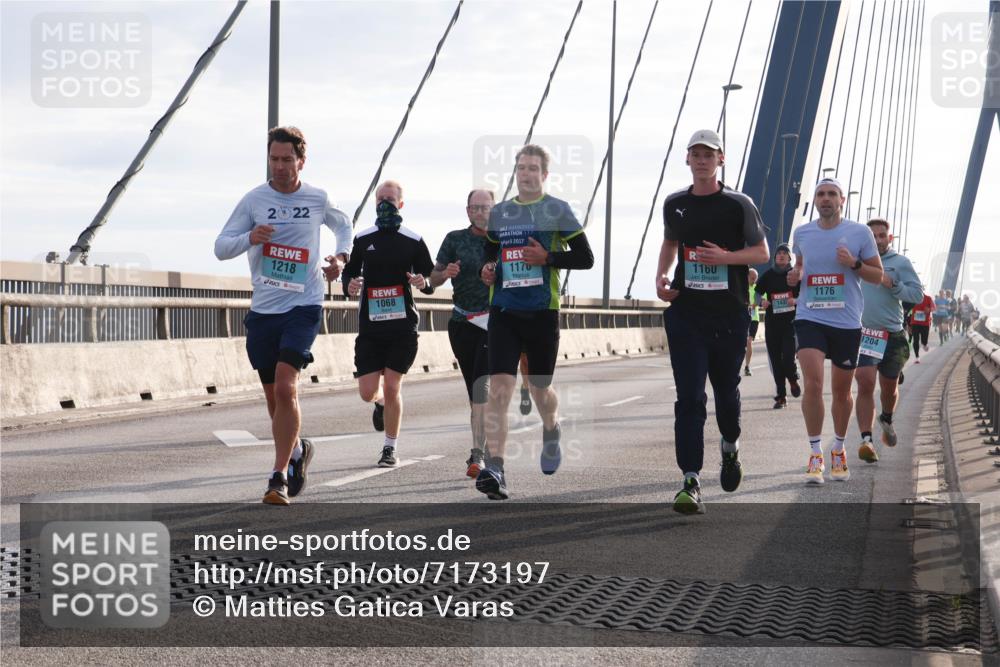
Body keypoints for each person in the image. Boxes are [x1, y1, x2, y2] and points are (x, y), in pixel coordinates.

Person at [215, 126, 352, 505]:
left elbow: (344, 227)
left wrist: (340, 258)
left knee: (287, 385)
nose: (279, 166)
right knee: (273, 395)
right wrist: (251, 238)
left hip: (303, 305)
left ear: (301, 161)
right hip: (263, 310)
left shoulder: (318, 197)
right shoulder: (254, 200)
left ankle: (278, 478)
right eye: (273, 159)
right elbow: (221, 247)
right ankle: (296, 451)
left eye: (286, 159)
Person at [656, 129, 769, 514]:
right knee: (689, 398)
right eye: (695, 154)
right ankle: (690, 479)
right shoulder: (674, 203)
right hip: (686, 313)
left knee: (725, 394)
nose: (702, 160)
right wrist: (662, 277)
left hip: (729, 315)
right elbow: (671, 242)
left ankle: (731, 447)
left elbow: (761, 251)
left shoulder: (739, 204)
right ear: (687, 159)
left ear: (721, 160)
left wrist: (726, 258)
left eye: (709, 154)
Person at [475, 144, 595, 500]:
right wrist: (488, 269)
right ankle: (496, 468)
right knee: (499, 388)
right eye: (521, 168)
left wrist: (548, 258)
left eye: (532, 169)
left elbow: (586, 258)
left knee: (539, 388)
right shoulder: (501, 213)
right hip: (505, 312)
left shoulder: (557, 210)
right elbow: (490, 250)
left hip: (542, 313)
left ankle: (551, 426)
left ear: (544, 175)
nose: (526, 174)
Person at [788, 178, 882, 484]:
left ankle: (838, 449)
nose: (825, 198)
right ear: (815, 200)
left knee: (842, 392)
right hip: (809, 316)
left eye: (831, 194)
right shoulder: (802, 233)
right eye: (820, 194)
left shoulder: (859, 233)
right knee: (813, 384)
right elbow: (800, 266)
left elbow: (877, 275)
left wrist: (854, 263)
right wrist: (795, 275)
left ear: (842, 200)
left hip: (846, 322)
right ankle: (815, 453)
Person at [342, 180, 434, 468]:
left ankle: (389, 448)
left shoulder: (413, 240)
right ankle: (379, 403)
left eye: (390, 199)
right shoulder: (363, 239)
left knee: (394, 386)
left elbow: (432, 277)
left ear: (401, 204)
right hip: (371, 328)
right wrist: (350, 285)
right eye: (380, 199)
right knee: (368, 392)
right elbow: (348, 274)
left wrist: (424, 282)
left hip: (403, 327)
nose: (385, 204)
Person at [430, 188, 494, 477]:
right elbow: (431, 280)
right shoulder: (454, 239)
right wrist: (445, 274)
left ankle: (477, 455)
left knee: (482, 387)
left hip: (493, 324)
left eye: (485, 207)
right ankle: (487, 446)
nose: (480, 212)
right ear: (467, 211)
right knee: (474, 390)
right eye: (475, 208)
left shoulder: (501, 240)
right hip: (461, 323)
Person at [854, 219, 923, 463]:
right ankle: (866, 440)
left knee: (889, 386)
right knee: (864, 381)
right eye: (872, 236)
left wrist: (891, 283)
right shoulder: (856, 262)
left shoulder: (900, 263)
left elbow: (917, 294)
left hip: (892, 334)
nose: (877, 240)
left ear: (889, 238)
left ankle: (886, 417)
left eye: (882, 235)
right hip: (865, 334)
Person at [757, 243, 802, 408]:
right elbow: (757, 292)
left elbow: (805, 295)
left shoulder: (794, 276)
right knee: (775, 361)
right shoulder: (768, 275)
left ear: (790, 258)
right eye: (778, 253)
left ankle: (792, 378)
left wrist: (795, 301)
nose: (781, 255)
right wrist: (761, 301)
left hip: (791, 324)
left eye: (785, 253)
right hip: (772, 324)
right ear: (775, 257)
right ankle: (781, 396)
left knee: (788, 358)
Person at [908, 292, 934, 363]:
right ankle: (917, 357)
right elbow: (908, 310)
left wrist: (929, 309)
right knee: (915, 340)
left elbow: (934, 308)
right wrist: (908, 325)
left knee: (924, 341)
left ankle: (924, 344)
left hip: (925, 324)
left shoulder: (928, 298)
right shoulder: (913, 298)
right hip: (915, 323)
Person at [744, 268, 760, 377]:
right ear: (747, 276)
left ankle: (747, 366)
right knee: (741, 343)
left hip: (754, 319)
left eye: (755, 279)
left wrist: (756, 303)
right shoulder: (741, 287)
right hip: (742, 318)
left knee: (749, 342)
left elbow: (762, 299)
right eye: (752, 278)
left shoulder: (757, 289)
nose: (754, 280)